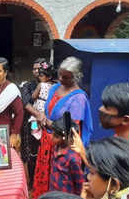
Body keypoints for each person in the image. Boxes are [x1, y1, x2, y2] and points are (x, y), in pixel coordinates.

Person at [32, 56, 93, 199]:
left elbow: (70, 130)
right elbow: (46, 110)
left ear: (76, 77)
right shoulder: (54, 88)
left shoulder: (78, 99)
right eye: (60, 75)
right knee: (44, 178)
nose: (60, 79)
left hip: (61, 145)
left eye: (66, 77)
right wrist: (41, 115)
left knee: (58, 182)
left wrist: (46, 122)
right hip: (47, 141)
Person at [20, 58, 51, 188]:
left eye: (39, 68)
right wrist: (39, 115)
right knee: (32, 152)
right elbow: (26, 102)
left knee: (47, 153)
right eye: (34, 69)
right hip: (32, 124)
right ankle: (33, 182)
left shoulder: (55, 86)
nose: (37, 71)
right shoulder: (28, 85)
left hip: (49, 126)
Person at [47, 112, 84, 195]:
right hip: (53, 192)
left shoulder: (73, 158)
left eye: (55, 136)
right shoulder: (56, 148)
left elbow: (79, 183)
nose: (51, 137)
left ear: (64, 138)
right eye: (52, 134)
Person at [29, 61, 55, 140]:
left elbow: (33, 96)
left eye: (41, 75)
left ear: (49, 77)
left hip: (39, 106)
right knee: (43, 122)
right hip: (46, 107)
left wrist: (34, 95)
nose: (39, 77)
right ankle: (41, 134)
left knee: (34, 120)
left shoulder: (41, 84)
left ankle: (35, 132)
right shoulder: (53, 86)